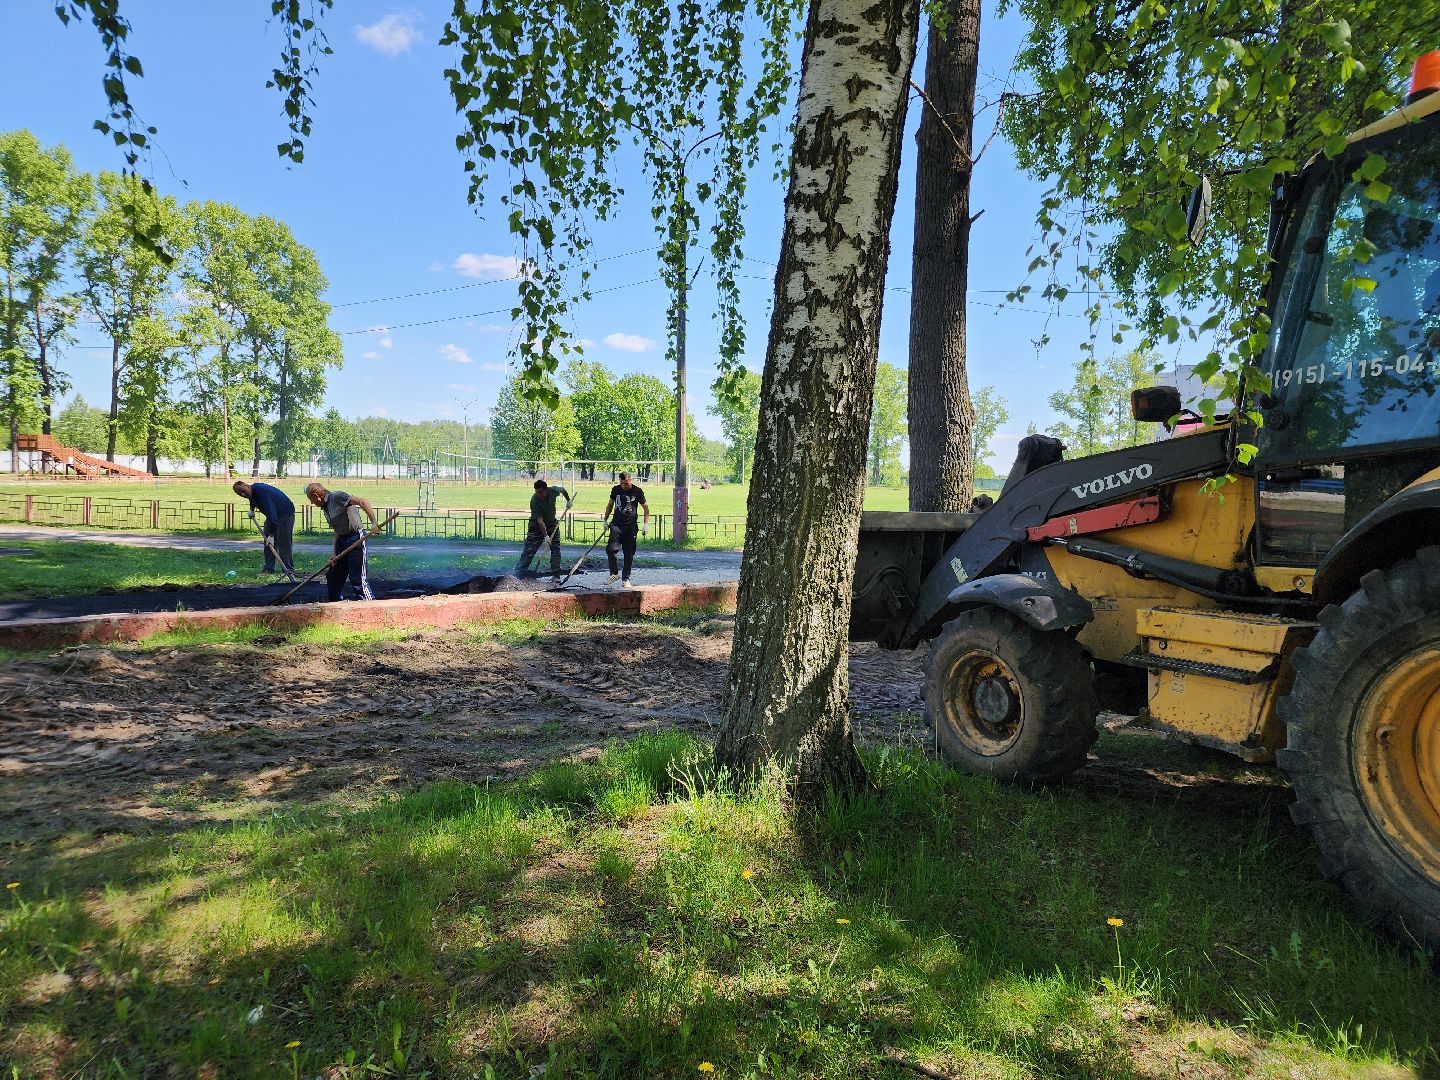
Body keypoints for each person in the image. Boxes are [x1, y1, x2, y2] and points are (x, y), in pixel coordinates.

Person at [304, 482, 379, 601]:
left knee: (357, 579)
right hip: (341, 541)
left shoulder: (336, 497)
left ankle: (371, 607)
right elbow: (337, 530)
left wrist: (374, 523)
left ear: (315, 495)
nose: (311, 502)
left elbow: (363, 502)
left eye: (311, 499)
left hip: (356, 538)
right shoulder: (326, 508)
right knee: (333, 577)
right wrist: (334, 553)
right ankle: (336, 605)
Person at [233, 479, 297, 580]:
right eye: (240, 494)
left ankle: (288, 571)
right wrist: (251, 510)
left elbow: (273, 518)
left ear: (246, 485)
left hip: (285, 514)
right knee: (268, 544)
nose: (243, 494)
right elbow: (252, 499)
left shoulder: (261, 493)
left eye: (243, 491)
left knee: (283, 543)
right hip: (274, 516)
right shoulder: (252, 491)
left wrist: (271, 535)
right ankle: (268, 570)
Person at [516, 477, 573, 579]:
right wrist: (546, 536)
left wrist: (568, 501)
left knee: (556, 550)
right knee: (529, 551)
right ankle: (518, 575)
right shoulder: (534, 501)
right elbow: (540, 521)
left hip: (552, 524)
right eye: (537, 492)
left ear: (546, 490)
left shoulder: (553, 490)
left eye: (541, 492)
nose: (539, 495)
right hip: (536, 527)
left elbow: (563, 490)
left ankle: (556, 576)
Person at [603, 471, 649, 588]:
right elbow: (610, 505)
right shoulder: (615, 490)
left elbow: (645, 507)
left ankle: (626, 578)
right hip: (616, 525)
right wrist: (605, 519)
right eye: (622, 483)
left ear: (631, 480)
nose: (624, 486)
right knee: (610, 549)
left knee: (628, 553)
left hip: (630, 527)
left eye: (626, 483)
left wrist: (646, 524)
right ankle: (614, 573)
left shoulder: (637, 491)